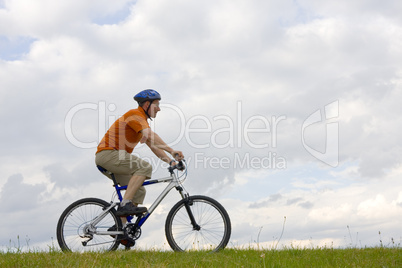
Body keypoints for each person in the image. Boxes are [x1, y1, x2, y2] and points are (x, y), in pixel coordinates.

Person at [95, 89, 184, 219]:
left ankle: (121, 229)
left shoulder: (141, 122)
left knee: (138, 190)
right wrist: (172, 150)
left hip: (111, 158)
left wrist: (171, 161)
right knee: (145, 167)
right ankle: (125, 204)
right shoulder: (135, 115)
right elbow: (151, 135)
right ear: (147, 105)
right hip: (108, 154)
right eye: (157, 105)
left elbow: (152, 144)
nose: (159, 109)